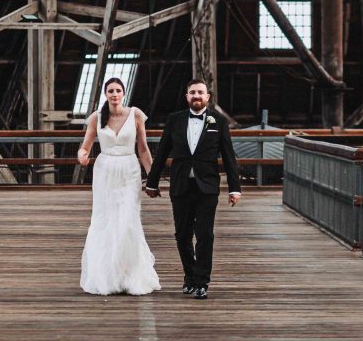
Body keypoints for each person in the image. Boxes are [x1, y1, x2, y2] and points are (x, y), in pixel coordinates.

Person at [144, 79, 241, 300]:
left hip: (207, 187)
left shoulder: (219, 122)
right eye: (192, 92)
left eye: (200, 92)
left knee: (205, 235)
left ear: (207, 97)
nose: (196, 96)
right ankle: (189, 276)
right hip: (180, 185)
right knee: (182, 234)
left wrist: (235, 189)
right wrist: (152, 182)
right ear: (187, 97)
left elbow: (228, 156)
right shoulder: (174, 120)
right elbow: (161, 153)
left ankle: (202, 282)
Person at [77, 77, 161, 296]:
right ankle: (106, 275)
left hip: (129, 169)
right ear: (106, 94)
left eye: (118, 90)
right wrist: (82, 156)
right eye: (110, 91)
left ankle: (130, 276)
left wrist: (151, 177)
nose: (114, 94)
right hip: (105, 171)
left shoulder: (135, 115)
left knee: (127, 219)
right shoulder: (96, 117)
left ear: (124, 94)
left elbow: (143, 149)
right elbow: (85, 147)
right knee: (105, 220)